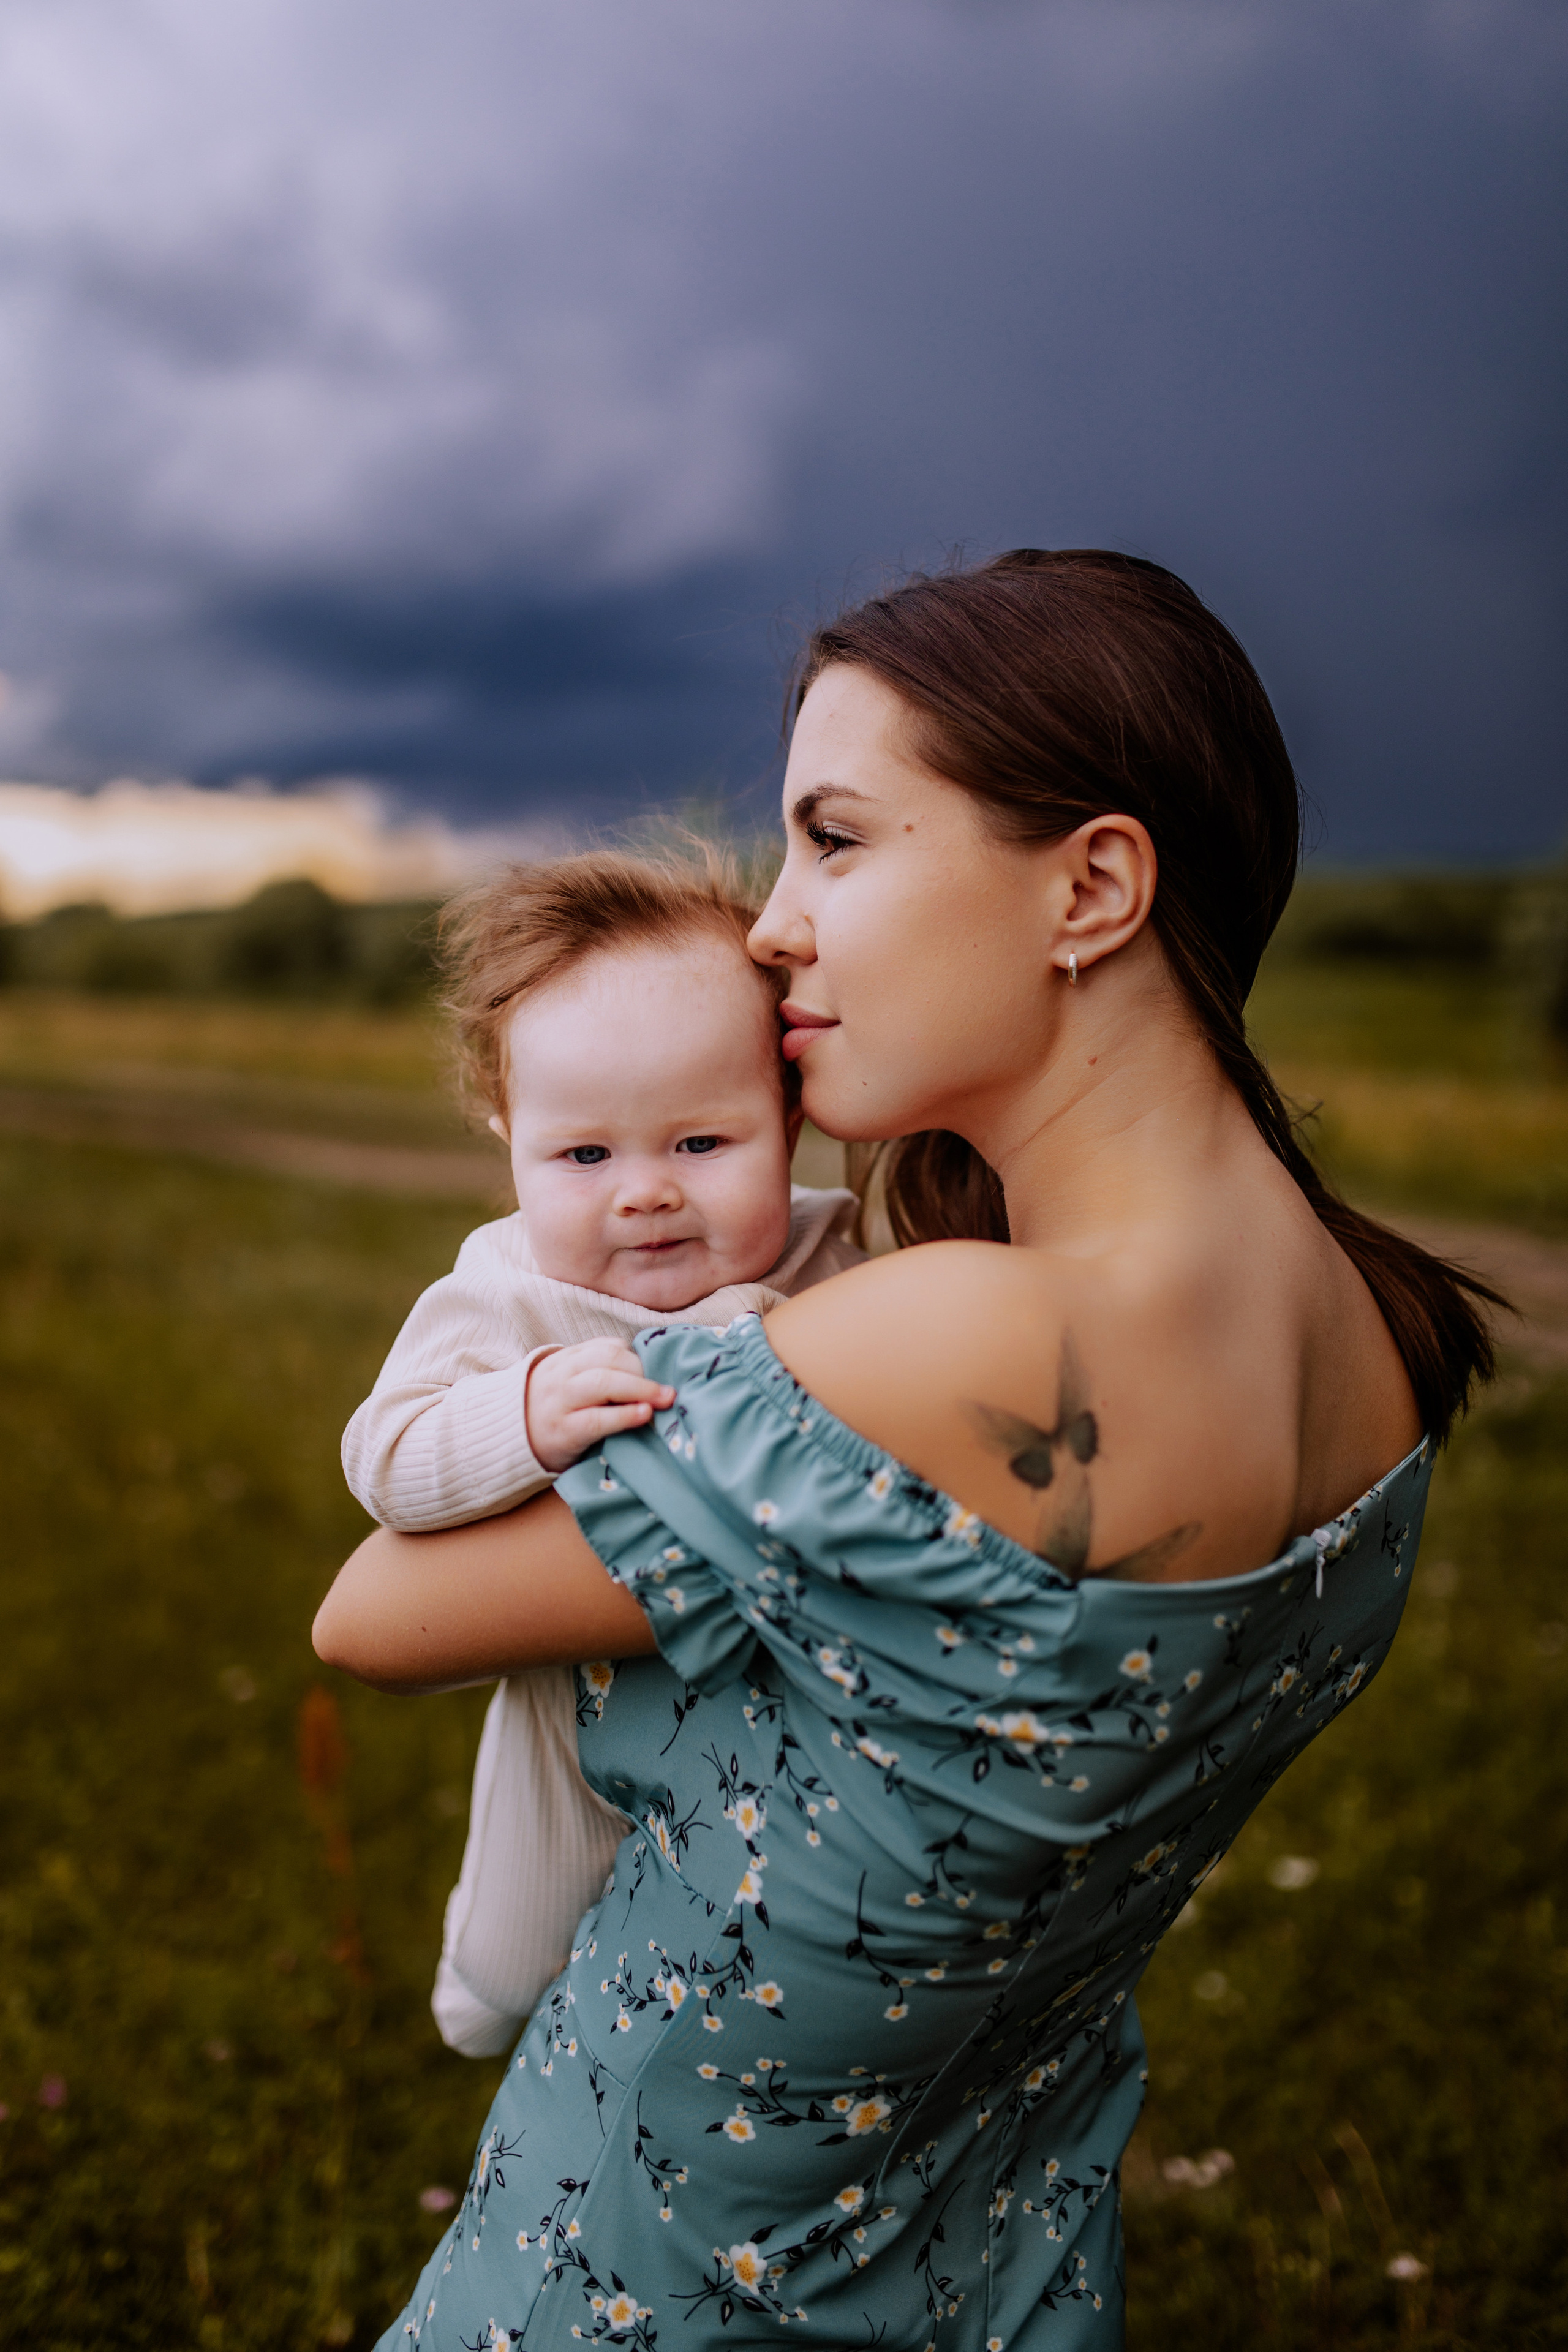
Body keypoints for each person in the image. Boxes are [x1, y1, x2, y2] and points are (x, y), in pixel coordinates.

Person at [314, 550, 1500, 2350]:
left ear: (1092, 885)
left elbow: (370, 1615)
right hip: (996, 2249)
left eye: (837, 842)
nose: (774, 925)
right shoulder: (1381, 1336)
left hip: (657, 2265)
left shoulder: (949, 1338)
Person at [341, 852, 862, 2055]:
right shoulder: (509, 1300)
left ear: (789, 1113)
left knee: (764, 1902)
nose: (645, 1196)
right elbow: (385, 1453)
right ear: (504, 1130)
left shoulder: (831, 1258)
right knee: (524, 1920)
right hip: (569, 1684)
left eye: (699, 1143)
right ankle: (486, 1990)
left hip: (782, 1685)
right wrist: (517, 1415)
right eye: (584, 1157)